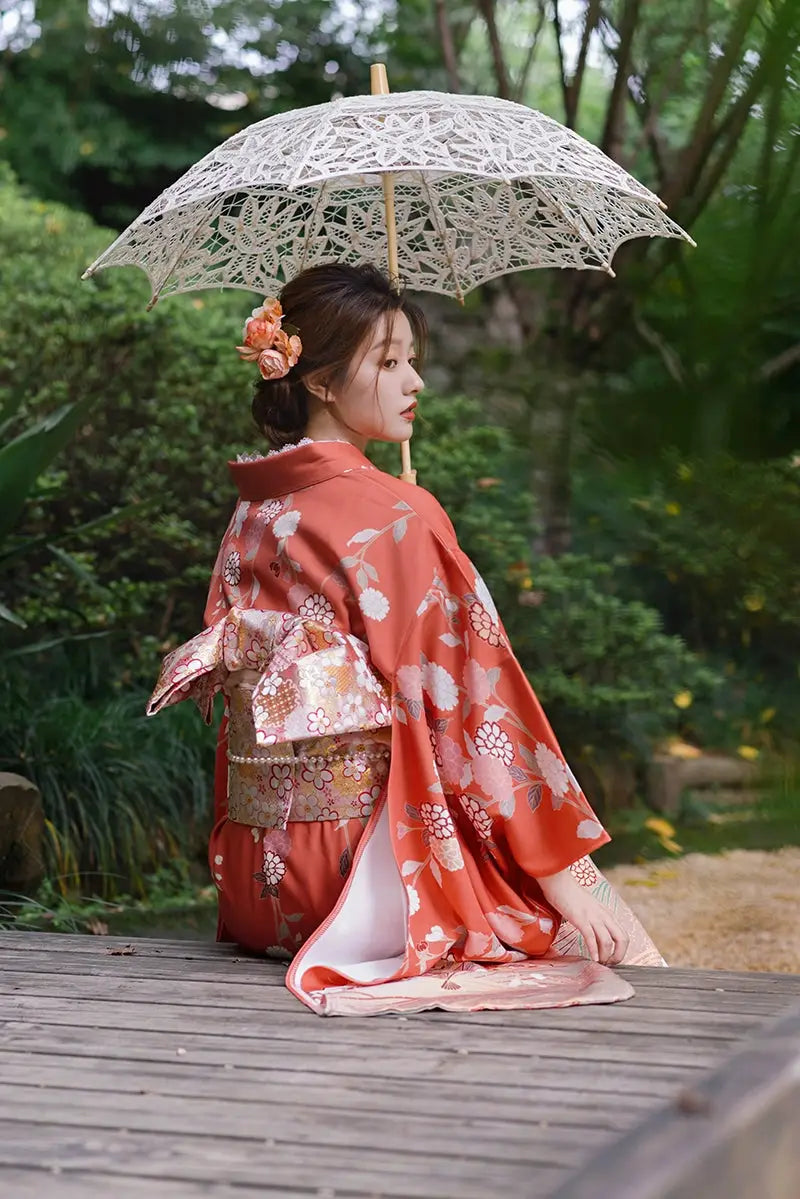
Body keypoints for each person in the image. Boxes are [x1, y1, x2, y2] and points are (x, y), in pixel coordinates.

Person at [148, 263, 662, 1016]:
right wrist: (561, 871)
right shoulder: (393, 515)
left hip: (264, 882)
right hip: (362, 880)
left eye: (409, 358)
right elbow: (474, 704)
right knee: (558, 920)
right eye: (388, 362)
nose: (414, 379)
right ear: (320, 382)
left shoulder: (251, 512)